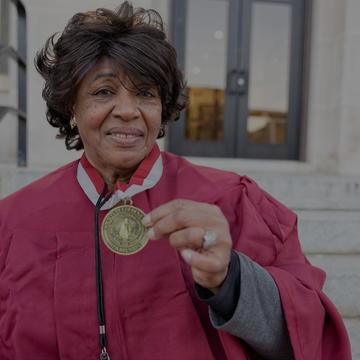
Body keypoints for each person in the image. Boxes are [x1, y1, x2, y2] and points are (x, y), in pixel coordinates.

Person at [0, 2, 351, 360]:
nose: (127, 109)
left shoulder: (231, 202)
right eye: (103, 92)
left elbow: (307, 333)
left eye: (145, 93)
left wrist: (231, 280)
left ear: (162, 108)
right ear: (71, 106)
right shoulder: (13, 222)